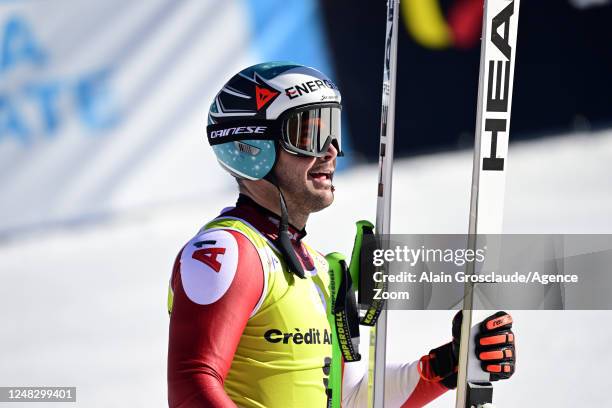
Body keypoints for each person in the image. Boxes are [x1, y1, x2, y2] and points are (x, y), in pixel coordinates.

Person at [166, 62, 516, 407]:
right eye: (308, 134)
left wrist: (450, 364)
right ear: (252, 147)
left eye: (332, 131)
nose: (331, 150)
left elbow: (350, 397)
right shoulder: (228, 251)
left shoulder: (317, 268)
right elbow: (191, 387)